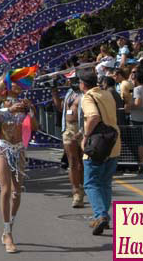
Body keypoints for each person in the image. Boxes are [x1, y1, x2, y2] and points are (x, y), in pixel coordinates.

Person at [0, 78, 37, 253]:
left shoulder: (26, 104)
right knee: (5, 190)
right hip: (3, 147)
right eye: (15, 83)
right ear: (7, 86)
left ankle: (9, 226)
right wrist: (7, 109)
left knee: (16, 192)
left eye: (21, 84)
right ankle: (7, 234)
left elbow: (35, 127)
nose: (19, 86)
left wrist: (31, 112)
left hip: (19, 149)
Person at [78, 69, 121, 235]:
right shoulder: (107, 93)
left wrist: (85, 136)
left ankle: (100, 215)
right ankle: (103, 216)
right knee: (105, 182)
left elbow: (93, 117)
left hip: (97, 144)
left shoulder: (88, 97)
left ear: (83, 84)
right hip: (113, 141)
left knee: (91, 182)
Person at [51, 77, 84, 208]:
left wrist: (82, 131)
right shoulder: (69, 93)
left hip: (81, 128)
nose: (70, 82)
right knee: (72, 161)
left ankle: (83, 186)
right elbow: (60, 108)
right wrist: (54, 92)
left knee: (83, 161)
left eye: (73, 80)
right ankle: (76, 192)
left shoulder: (86, 95)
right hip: (68, 129)